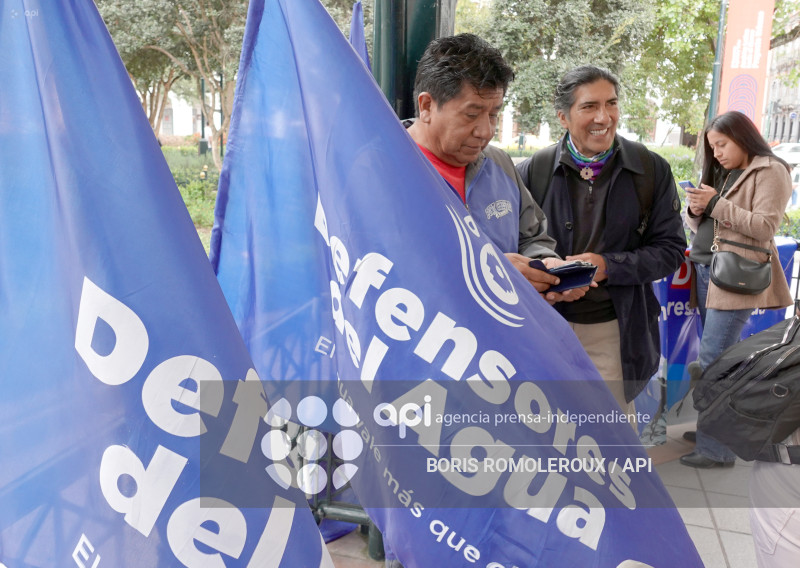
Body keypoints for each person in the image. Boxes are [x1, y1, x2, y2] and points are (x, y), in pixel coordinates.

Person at [516, 65, 686, 414]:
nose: (604, 117)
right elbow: (514, 243)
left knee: (610, 441)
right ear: (563, 116)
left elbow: (670, 251)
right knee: (550, 435)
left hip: (612, 330)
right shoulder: (534, 170)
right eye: (589, 106)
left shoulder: (650, 169)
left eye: (611, 103)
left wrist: (608, 266)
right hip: (545, 329)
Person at [405, 34, 591, 306]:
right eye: (471, 114)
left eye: (493, 114)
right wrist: (488, 272)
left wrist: (544, 268)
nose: (486, 131)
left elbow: (532, 237)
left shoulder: (500, 164)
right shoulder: (382, 171)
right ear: (426, 106)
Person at [680, 111, 793, 469]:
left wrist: (715, 203)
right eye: (712, 148)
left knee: (717, 362)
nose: (717, 154)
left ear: (743, 136)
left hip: (734, 276)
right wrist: (697, 209)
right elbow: (713, 222)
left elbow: (764, 226)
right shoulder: (728, 172)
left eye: (722, 144)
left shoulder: (771, 170)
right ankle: (711, 432)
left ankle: (718, 449)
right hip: (706, 270)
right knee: (714, 359)